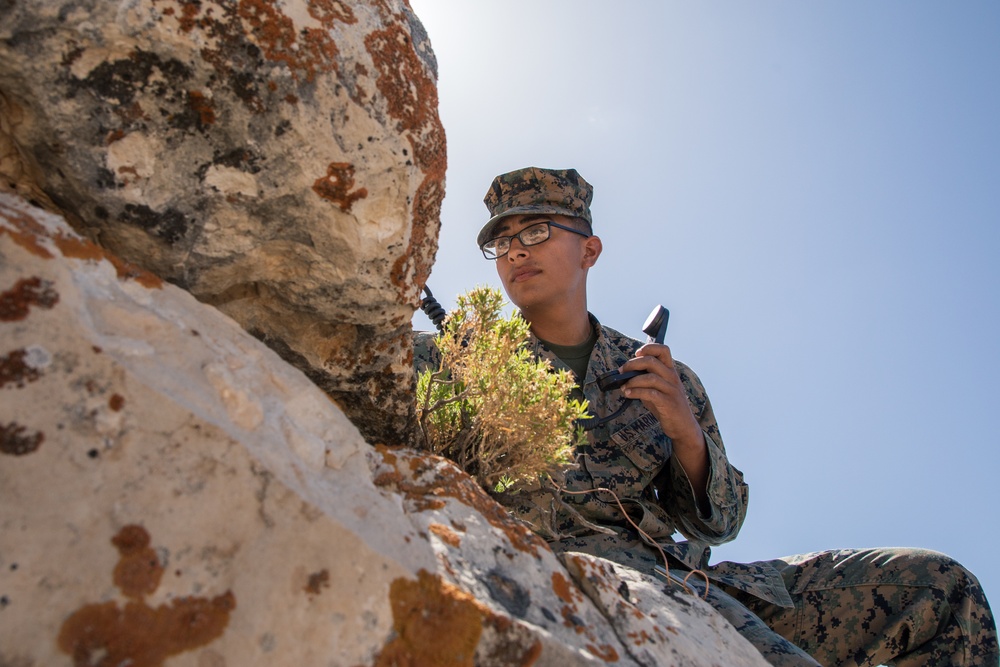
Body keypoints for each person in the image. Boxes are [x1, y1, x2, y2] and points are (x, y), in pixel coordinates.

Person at [414, 166, 998, 666]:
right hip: (599, 582)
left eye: (536, 231)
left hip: (697, 577)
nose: (515, 250)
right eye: (502, 242)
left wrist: (686, 434)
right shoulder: (460, 358)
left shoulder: (661, 373)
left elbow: (722, 523)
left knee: (941, 588)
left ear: (589, 250)